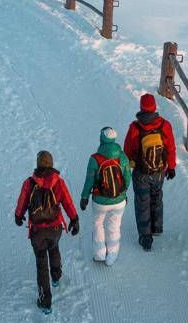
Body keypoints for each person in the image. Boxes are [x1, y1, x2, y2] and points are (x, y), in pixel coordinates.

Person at [14, 150, 79, 313]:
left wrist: (18, 216)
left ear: (37, 164)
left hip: (37, 231)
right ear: (51, 164)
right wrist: (74, 219)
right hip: (55, 228)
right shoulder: (58, 182)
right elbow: (67, 202)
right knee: (54, 248)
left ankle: (45, 301)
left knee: (41, 263)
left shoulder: (29, 183)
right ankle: (56, 276)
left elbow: (22, 202)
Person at [124, 93, 176, 251]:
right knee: (157, 197)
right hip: (159, 171)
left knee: (142, 203)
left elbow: (128, 150)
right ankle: (156, 227)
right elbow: (171, 147)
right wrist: (171, 167)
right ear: (154, 107)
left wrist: (130, 163)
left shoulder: (135, 127)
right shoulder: (164, 125)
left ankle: (145, 238)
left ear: (141, 107)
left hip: (141, 172)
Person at [79, 126, 132, 266]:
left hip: (100, 201)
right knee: (114, 226)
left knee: (98, 225)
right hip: (119, 200)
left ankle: (99, 254)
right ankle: (112, 256)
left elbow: (89, 180)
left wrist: (84, 197)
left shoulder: (94, 159)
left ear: (101, 138)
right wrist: (123, 192)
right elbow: (127, 177)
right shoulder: (122, 157)